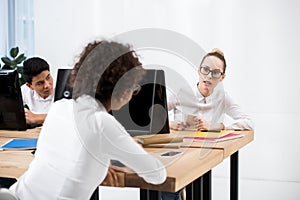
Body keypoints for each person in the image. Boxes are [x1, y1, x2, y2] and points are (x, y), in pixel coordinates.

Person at [9, 40, 166, 199]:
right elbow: (157, 175)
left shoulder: (60, 107)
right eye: (134, 86)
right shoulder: (102, 123)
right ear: (122, 88)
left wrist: (99, 163)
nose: (133, 92)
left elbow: (68, 158)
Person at [163, 48, 254, 200]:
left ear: (222, 77)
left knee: (196, 178)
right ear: (199, 71)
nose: (209, 76)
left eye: (215, 73)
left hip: (202, 156)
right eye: (205, 70)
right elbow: (153, 116)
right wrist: (171, 124)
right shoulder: (182, 93)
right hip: (178, 153)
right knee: (169, 186)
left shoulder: (222, 98)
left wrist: (216, 126)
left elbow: (249, 122)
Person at [21, 57, 54, 124]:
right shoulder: (25, 90)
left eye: (48, 77)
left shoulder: (63, 88)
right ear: (30, 86)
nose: (47, 85)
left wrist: (36, 118)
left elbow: (68, 117)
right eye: (40, 83)